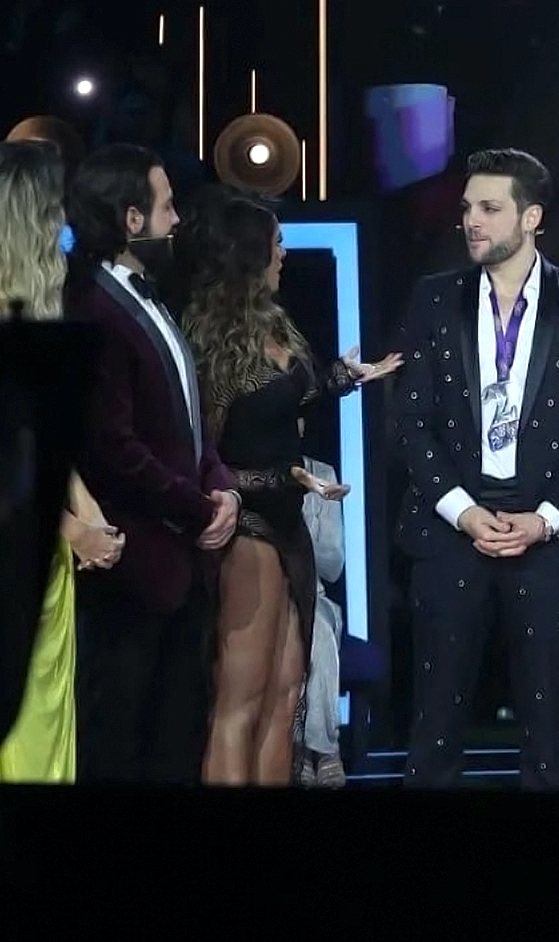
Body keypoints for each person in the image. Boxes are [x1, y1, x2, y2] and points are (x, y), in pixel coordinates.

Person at [395, 148, 559, 791]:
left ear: (531, 218)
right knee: (435, 720)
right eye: (468, 207)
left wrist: (543, 520)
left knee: (548, 728)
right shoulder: (435, 299)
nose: (472, 220)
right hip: (449, 530)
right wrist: (464, 511)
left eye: (489, 208)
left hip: (548, 532)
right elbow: (410, 422)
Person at [179, 189, 400, 785]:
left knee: (285, 697)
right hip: (246, 530)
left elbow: (283, 403)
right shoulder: (211, 344)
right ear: (249, 252)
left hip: (290, 524)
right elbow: (207, 460)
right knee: (240, 704)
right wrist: (283, 478)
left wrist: (340, 379)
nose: (285, 252)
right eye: (276, 241)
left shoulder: (275, 324)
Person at [0, 139, 124, 783]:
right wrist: (72, 531)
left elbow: (38, 438)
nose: (62, 228)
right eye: (52, 213)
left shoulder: (22, 310)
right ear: (24, 219)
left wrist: (92, 520)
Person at [63, 143, 239, 784]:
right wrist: (197, 508)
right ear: (131, 219)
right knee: (119, 745)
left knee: (174, 742)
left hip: (181, 564)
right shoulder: (90, 308)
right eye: (166, 206)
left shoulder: (154, 298)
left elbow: (189, 421)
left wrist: (222, 487)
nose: (177, 220)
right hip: (130, 566)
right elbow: (110, 449)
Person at [298, 432, 347, 787]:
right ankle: (297, 747)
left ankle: (323, 749)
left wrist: (298, 535)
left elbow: (334, 567)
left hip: (314, 594)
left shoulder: (323, 473)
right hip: (263, 590)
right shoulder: (249, 471)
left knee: (319, 632)